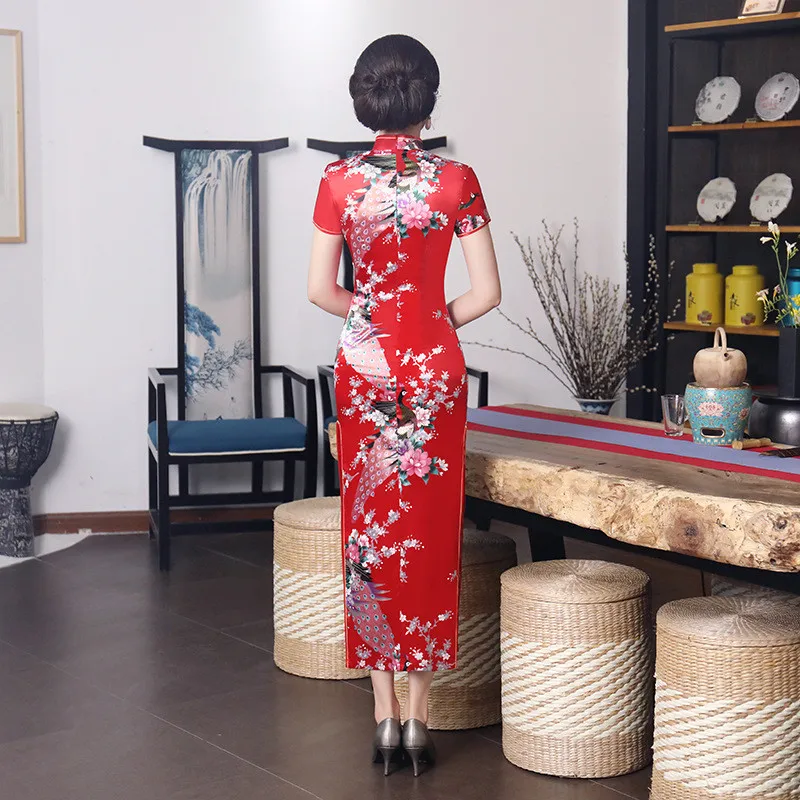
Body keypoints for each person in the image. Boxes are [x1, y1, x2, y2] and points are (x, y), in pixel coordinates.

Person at [307, 34, 501, 776]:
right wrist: (428, 325)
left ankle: (382, 717)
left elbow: (320, 290)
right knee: (430, 532)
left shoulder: (337, 181)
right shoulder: (459, 180)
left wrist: (373, 320)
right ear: (428, 99)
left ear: (366, 99)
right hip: (435, 371)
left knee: (368, 532)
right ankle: (421, 720)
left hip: (363, 367)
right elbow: (487, 293)